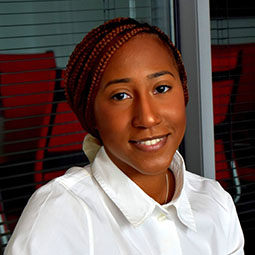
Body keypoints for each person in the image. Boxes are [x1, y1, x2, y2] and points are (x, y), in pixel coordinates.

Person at [5, 17, 244, 255]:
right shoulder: (61, 215)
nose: (148, 118)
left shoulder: (215, 204)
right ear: (92, 115)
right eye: (120, 96)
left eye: (161, 88)